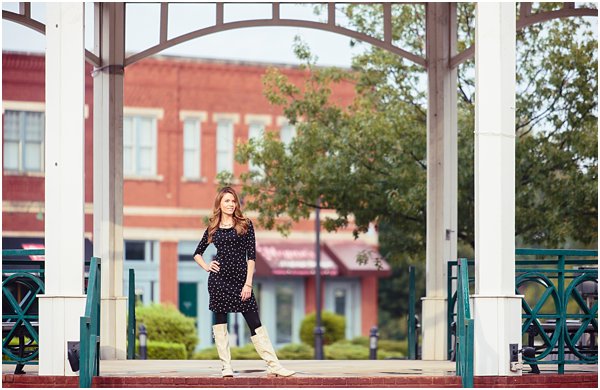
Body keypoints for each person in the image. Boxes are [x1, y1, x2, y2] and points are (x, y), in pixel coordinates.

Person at [193, 186, 295, 378]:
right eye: (226, 201)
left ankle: (273, 364)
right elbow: (197, 253)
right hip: (219, 282)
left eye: (233, 201)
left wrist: (248, 284)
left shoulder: (245, 224)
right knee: (220, 322)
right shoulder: (213, 228)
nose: (231, 204)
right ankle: (226, 367)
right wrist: (207, 266)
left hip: (241, 282)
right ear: (219, 204)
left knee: (254, 321)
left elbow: (251, 256)